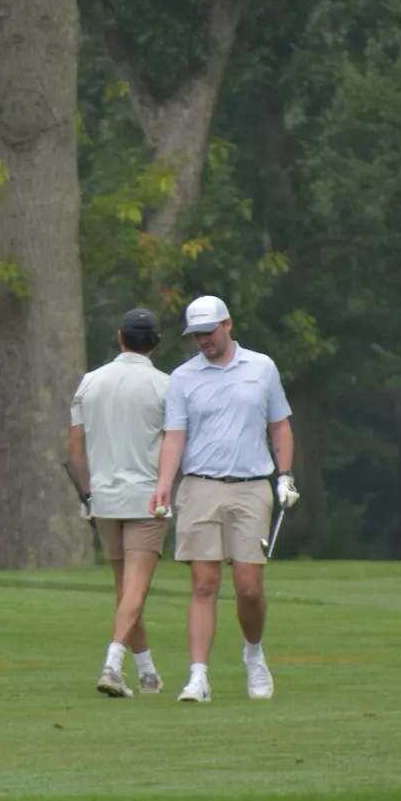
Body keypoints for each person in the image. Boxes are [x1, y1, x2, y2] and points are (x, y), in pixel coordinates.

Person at [149, 294, 299, 703]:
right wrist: (164, 482)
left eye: (209, 332)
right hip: (199, 485)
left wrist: (284, 475)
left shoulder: (261, 368)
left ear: (227, 325)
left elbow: (280, 427)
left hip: (252, 485)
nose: (203, 341)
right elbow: (175, 435)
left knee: (248, 587)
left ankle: (254, 654)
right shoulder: (183, 377)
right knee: (204, 583)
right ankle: (198, 677)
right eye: (196, 335)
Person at [68, 308, 172, 698]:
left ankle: (147, 673)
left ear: (120, 336)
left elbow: (75, 446)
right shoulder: (166, 386)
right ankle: (112, 665)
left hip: (105, 499)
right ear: (157, 342)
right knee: (136, 589)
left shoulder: (90, 382)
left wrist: (86, 496)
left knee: (126, 588)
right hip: (148, 498)